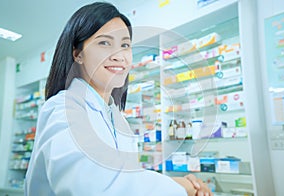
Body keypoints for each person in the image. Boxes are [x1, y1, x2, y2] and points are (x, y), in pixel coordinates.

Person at [25, 2, 212, 196]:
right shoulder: (64, 108)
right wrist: (180, 188)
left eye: (125, 45)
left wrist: (173, 183)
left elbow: (125, 178)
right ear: (77, 54)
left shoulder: (117, 118)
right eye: (105, 43)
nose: (119, 56)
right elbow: (93, 187)